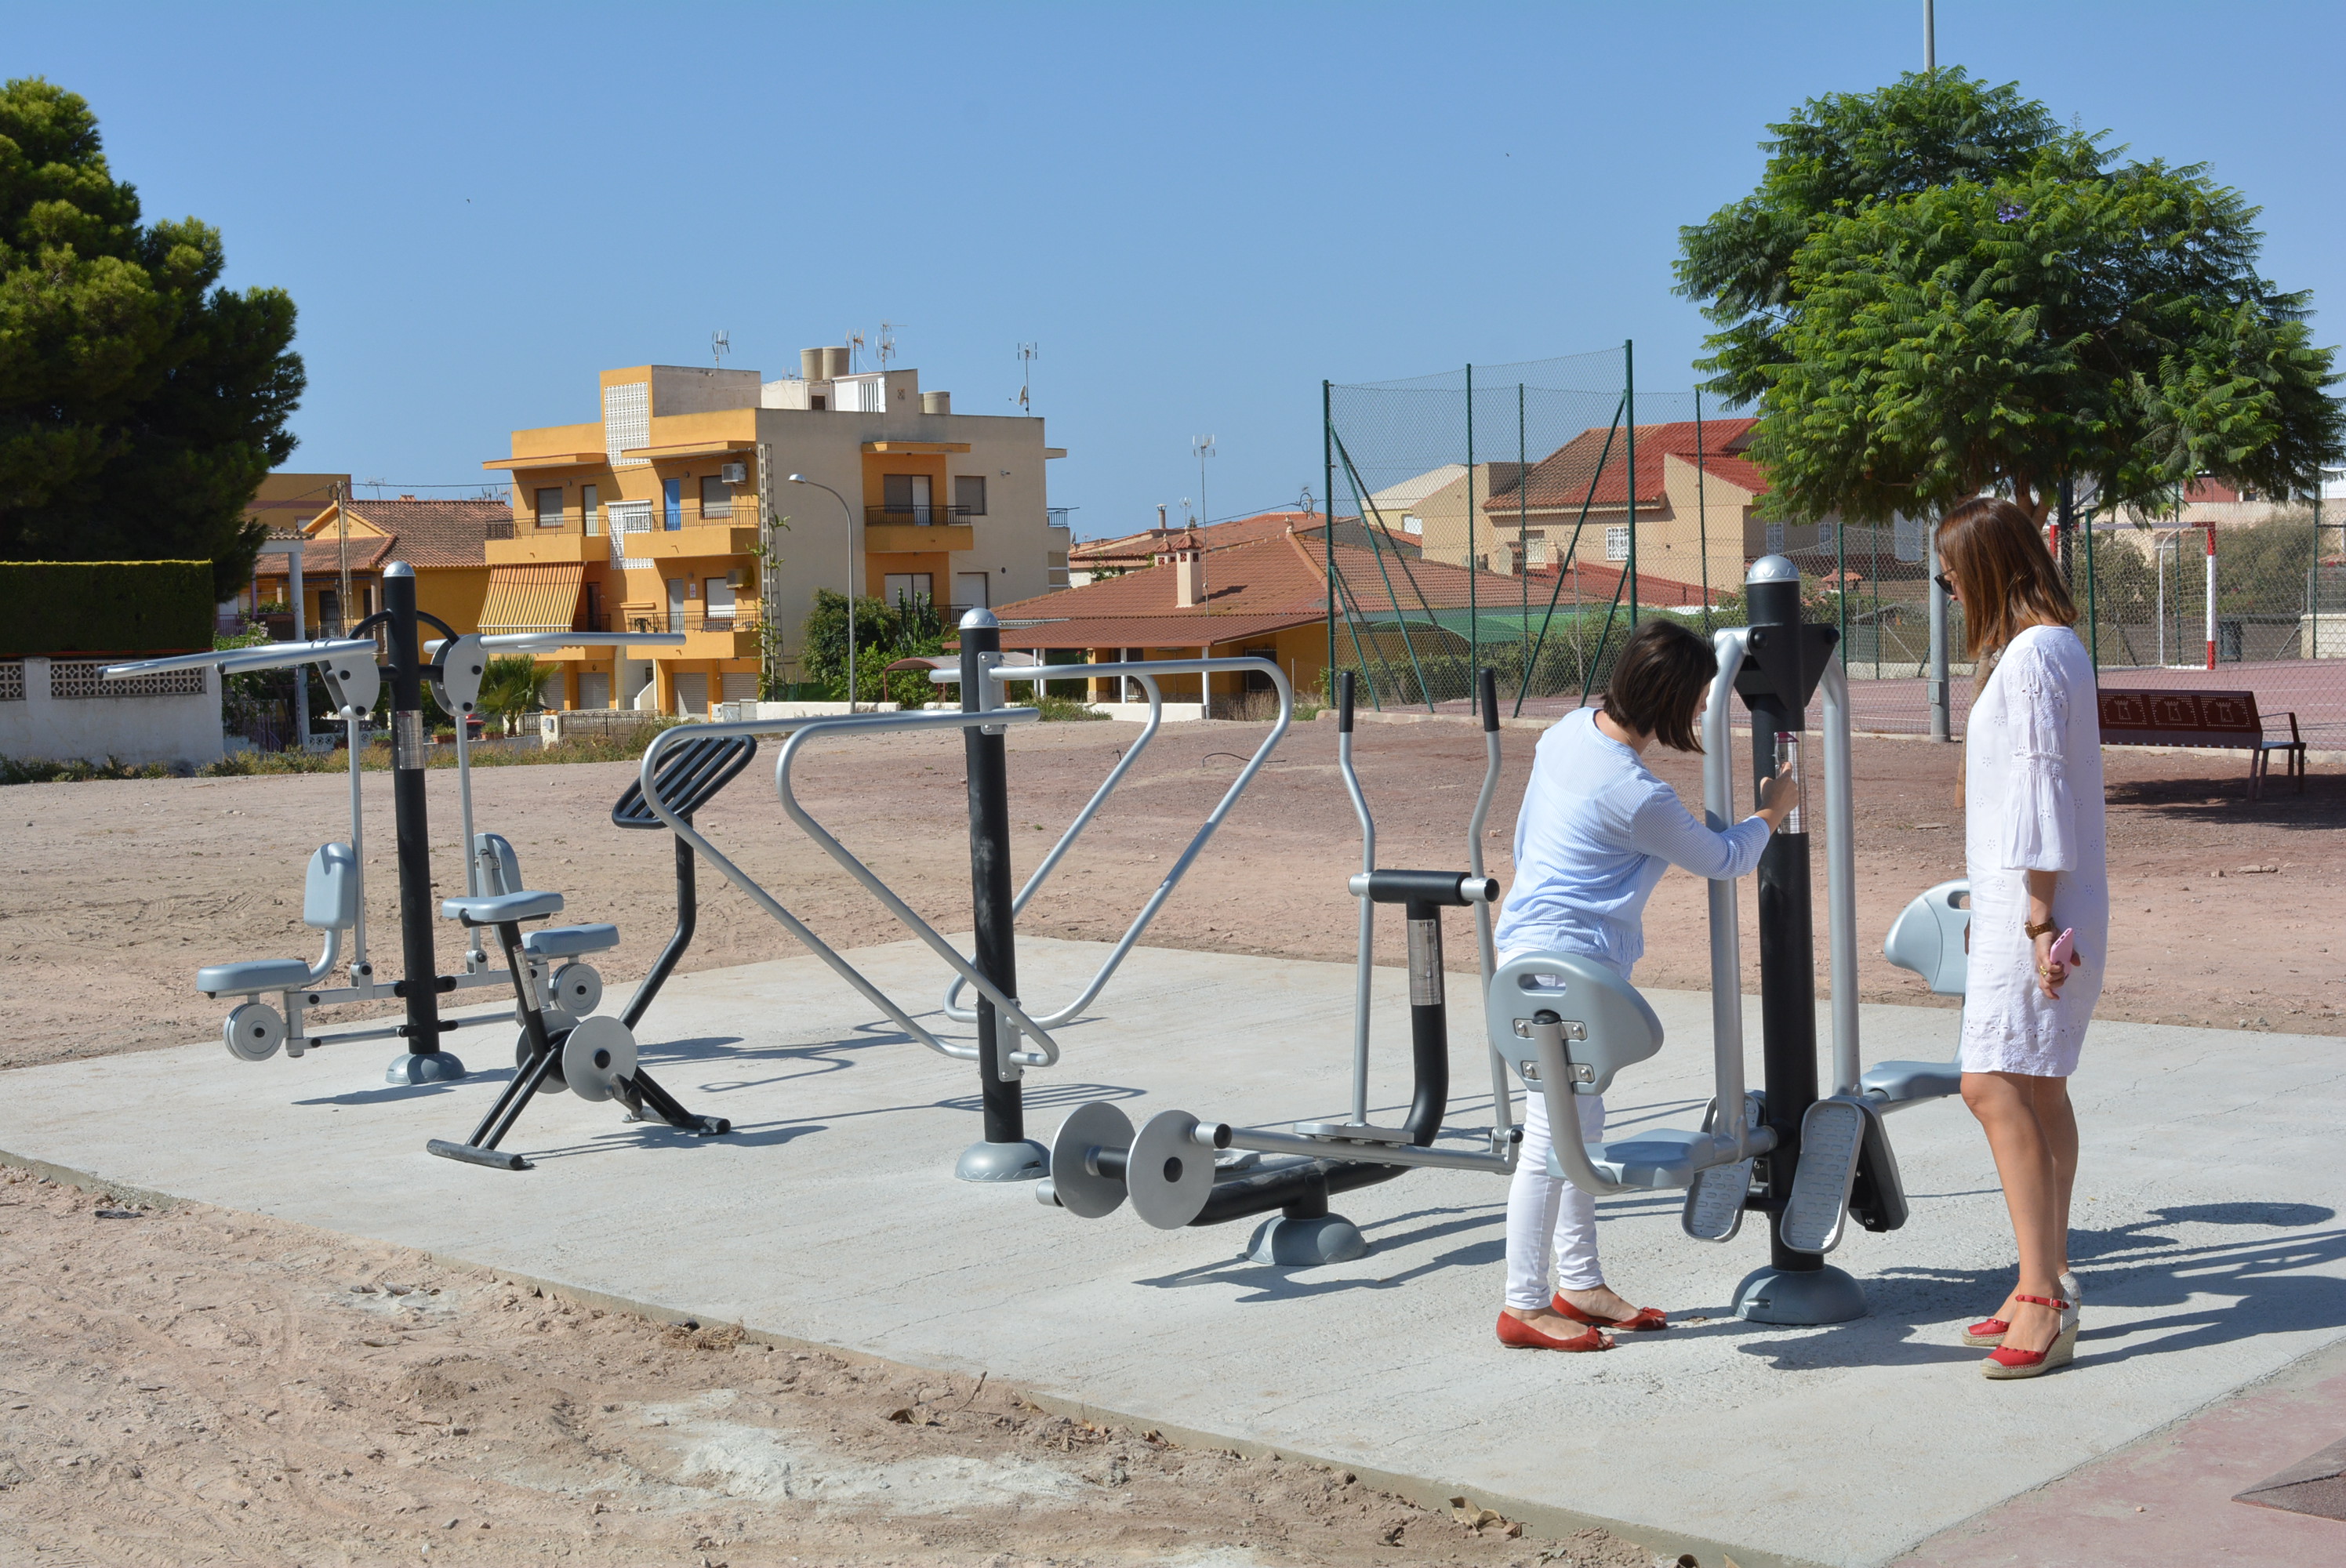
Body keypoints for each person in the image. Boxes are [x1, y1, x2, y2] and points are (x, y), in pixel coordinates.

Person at [1494, 619, 1796, 1352]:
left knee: (1578, 1130)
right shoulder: (1637, 795)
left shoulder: (1566, 732)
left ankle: (1579, 1282)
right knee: (1553, 1138)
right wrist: (1773, 812)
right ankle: (1524, 1305)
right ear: (1668, 699)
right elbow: (1723, 860)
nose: (1700, 715)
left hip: (1530, 951)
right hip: (1572, 969)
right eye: (1696, 701)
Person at [1936, 495, 2106, 1380]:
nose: (1948, 584)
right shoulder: (2049, 647)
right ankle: (2043, 1273)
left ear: (1989, 567)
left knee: (1989, 1083)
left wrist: (2037, 918)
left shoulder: (2036, 655)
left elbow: (2040, 792)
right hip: (2033, 898)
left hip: (2035, 903)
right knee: (2037, 1085)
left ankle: (2042, 1293)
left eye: (1953, 569)